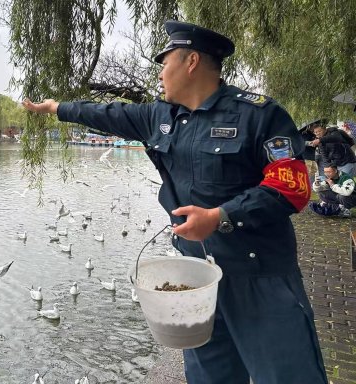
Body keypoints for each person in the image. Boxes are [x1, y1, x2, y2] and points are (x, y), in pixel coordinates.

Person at [23, 20, 327, 384]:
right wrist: (57, 108)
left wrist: (221, 216)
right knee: (209, 376)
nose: (160, 74)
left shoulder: (258, 115)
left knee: (287, 375)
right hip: (196, 278)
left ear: (191, 61)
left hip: (259, 276)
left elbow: (292, 187)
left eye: (165, 63)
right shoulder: (160, 117)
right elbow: (106, 114)